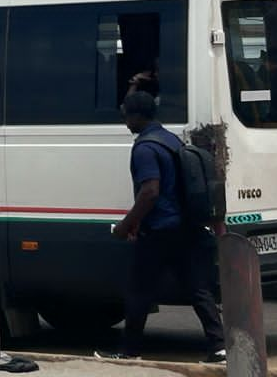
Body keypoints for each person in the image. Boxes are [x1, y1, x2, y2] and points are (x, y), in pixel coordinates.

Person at [96, 91, 224, 363]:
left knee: (139, 290)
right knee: (197, 287)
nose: (125, 121)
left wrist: (126, 224)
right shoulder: (170, 139)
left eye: (126, 115)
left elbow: (150, 191)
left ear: (136, 116)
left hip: (160, 230)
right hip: (185, 226)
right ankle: (219, 346)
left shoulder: (144, 148)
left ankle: (130, 351)